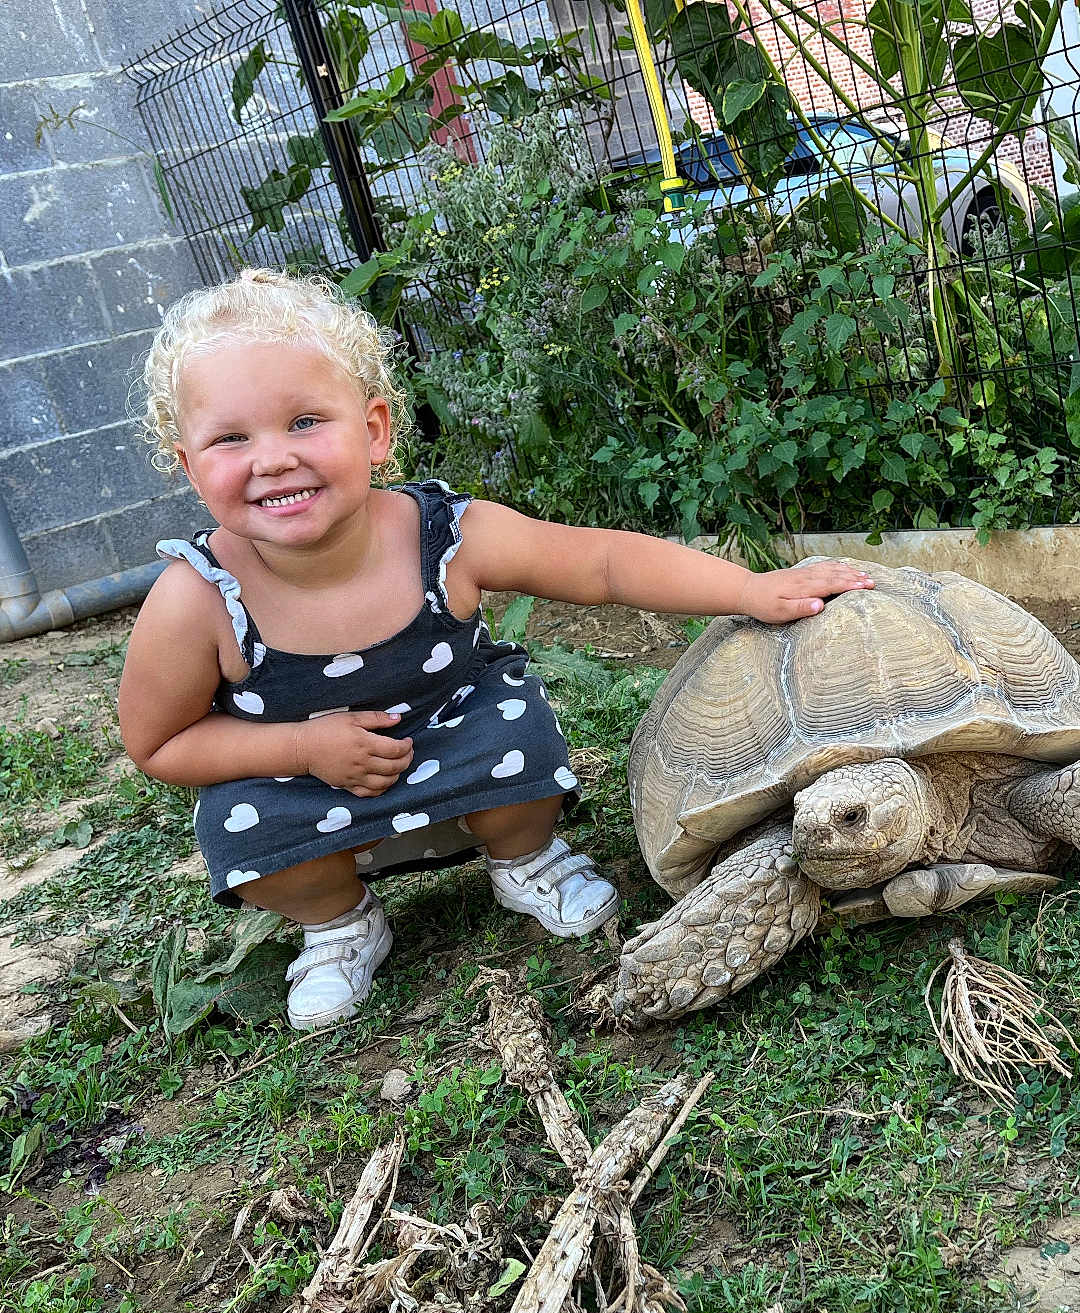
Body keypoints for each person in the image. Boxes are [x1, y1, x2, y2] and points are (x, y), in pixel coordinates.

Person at [119, 268, 872, 1032]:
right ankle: (339, 924)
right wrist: (303, 746)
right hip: (304, 782)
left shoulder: (446, 537)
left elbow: (601, 562)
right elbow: (159, 741)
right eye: (231, 438)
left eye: (306, 421)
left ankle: (524, 861)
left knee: (512, 717)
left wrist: (746, 589)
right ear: (189, 465)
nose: (273, 457)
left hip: (458, 748)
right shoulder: (196, 599)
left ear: (375, 430)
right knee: (239, 821)